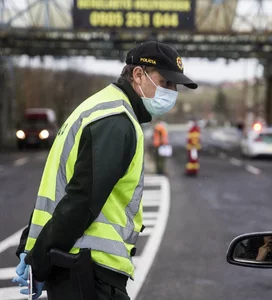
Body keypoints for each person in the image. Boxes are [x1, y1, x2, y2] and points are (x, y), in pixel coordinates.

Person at [12, 40, 197, 300]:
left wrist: (31, 248)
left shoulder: (96, 108)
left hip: (72, 267)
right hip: (89, 272)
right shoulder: (116, 121)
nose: (172, 92)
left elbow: (58, 189)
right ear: (138, 74)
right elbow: (82, 199)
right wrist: (38, 262)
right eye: (166, 82)